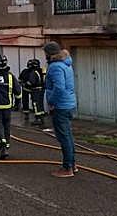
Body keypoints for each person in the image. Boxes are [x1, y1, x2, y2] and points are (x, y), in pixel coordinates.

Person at [44, 41, 77, 178]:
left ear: (49, 54)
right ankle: (72, 164)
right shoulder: (66, 64)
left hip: (61, 106)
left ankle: (67, 167)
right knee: (68, 136)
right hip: (69, 104)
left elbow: (59, 87)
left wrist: (51, 101)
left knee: (64, 137)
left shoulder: (55, 67)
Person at [0, 53, 22, 160]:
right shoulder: (11, 77)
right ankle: (5, 147)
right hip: (7, 107)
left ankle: (2, 144)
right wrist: (17, 104)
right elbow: (18, 91)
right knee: (6, 127)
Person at [19, 59, 46, 126]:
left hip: (35, 90)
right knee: (40, 103)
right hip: (41, 90)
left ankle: (38, 119)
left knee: (35, 103)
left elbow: (31, 82)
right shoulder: (41, 71)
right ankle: (41, 117)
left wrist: (25, 84)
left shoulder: (34, 72)